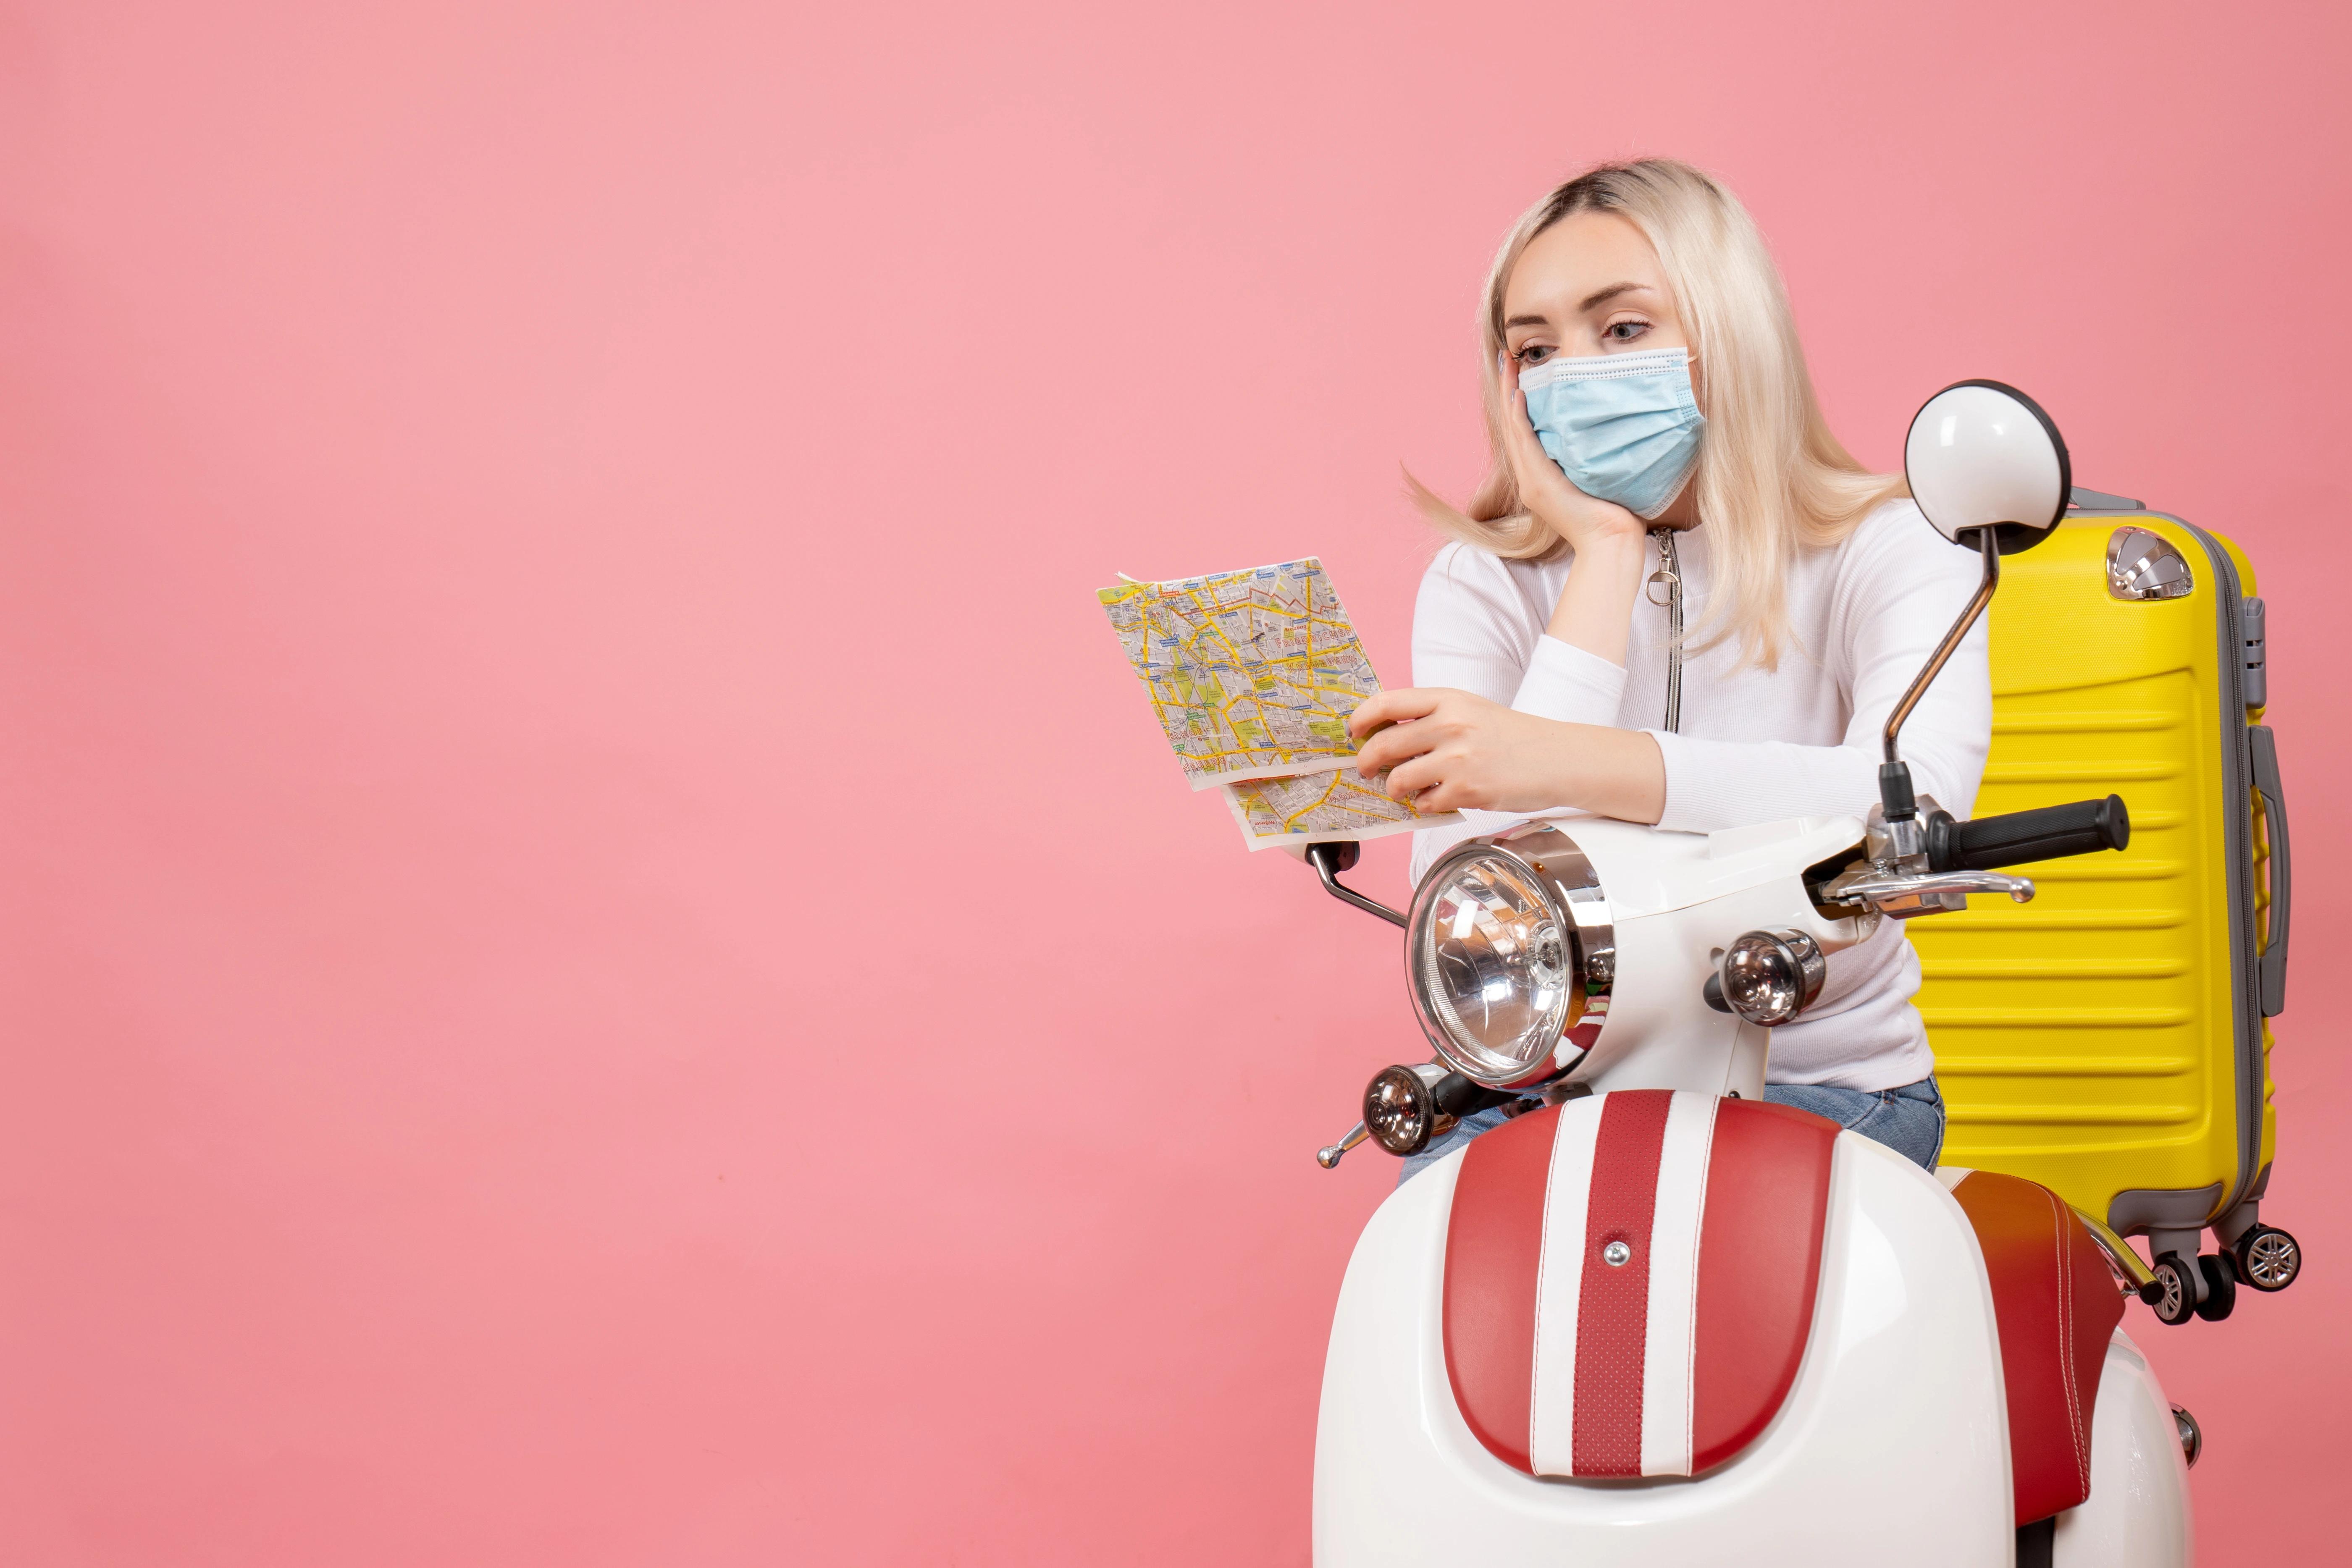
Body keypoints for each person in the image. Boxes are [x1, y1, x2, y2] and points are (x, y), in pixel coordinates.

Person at [1347, 159, 1989, 1181]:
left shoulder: (1897, 544)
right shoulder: (1481, 580)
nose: (1574, 372)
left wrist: (1559, 760)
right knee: (1435, 1266)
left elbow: (1910, 807)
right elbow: (1482, 921)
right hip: (1541, 1091)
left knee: (1678, 1234)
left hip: (1816, 1080)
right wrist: (1602, 556)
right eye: (1535, 349)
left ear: (1729, 333)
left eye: (1623, 329)